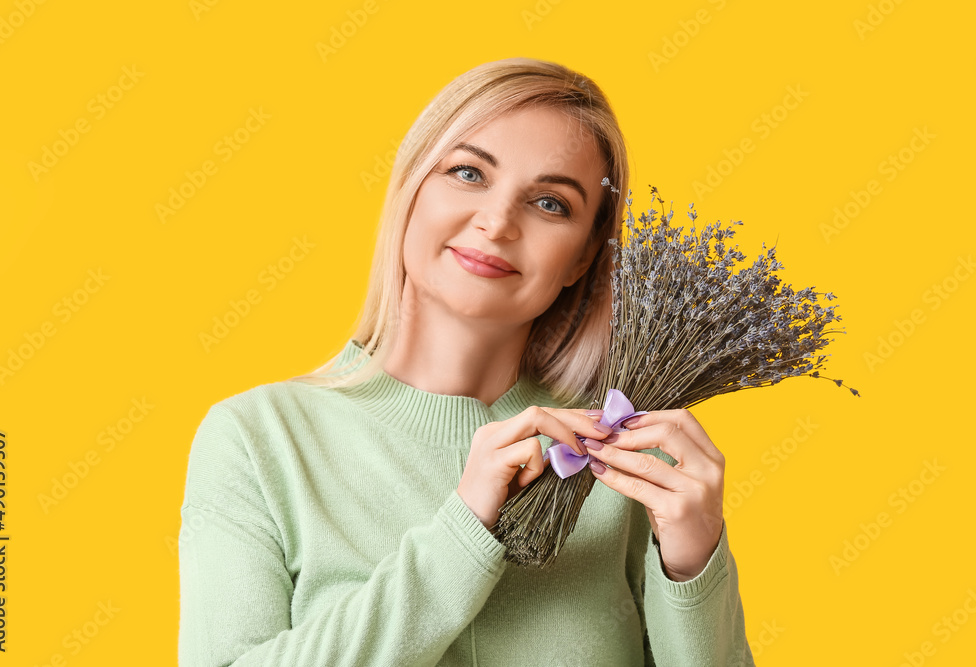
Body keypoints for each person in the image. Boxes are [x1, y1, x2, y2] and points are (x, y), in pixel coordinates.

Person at [178, 57, 755, 666]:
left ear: (582, 258)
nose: (498, 222)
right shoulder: (258, 440)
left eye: (551, 203)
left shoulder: (624, 458)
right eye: (467, 172)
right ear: (411, 190)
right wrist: (463, 532)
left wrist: (695, 568)